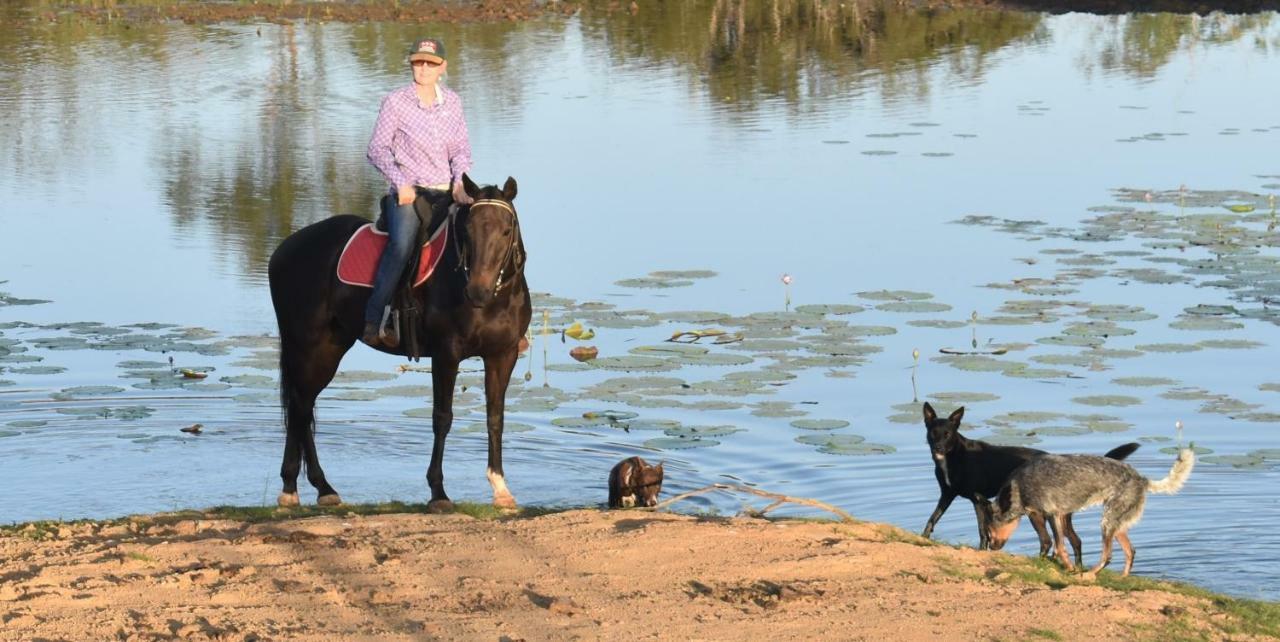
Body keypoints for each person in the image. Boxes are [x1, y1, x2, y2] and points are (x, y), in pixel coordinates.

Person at [364, 37, 474, 349]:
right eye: (418, 62)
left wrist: (460, 182)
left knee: (484, 232)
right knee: (401, 246)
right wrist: (400, 183)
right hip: (409, 193)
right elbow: (377, 149)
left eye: (431, 63)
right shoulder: (395, 102)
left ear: (443, 68)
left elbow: (461, 150)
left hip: (446, 190)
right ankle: (375, 319)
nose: (423, 68)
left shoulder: (453, 102)